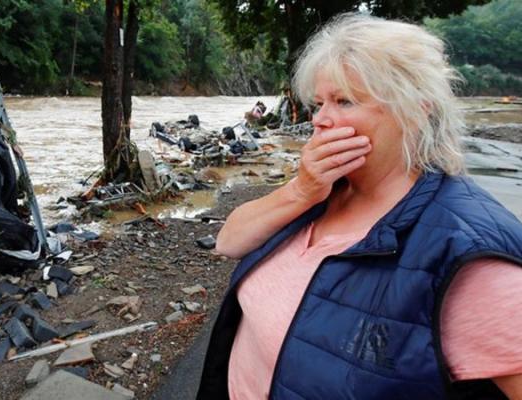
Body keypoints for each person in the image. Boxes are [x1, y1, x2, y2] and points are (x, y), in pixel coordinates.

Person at [197, 13, 522, 400]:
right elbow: (229, 241)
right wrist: (300, 190)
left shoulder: (471, 254)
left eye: (344, 101)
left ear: (416, 110)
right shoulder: (325, 188)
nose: (320, 120)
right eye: (319, 103)